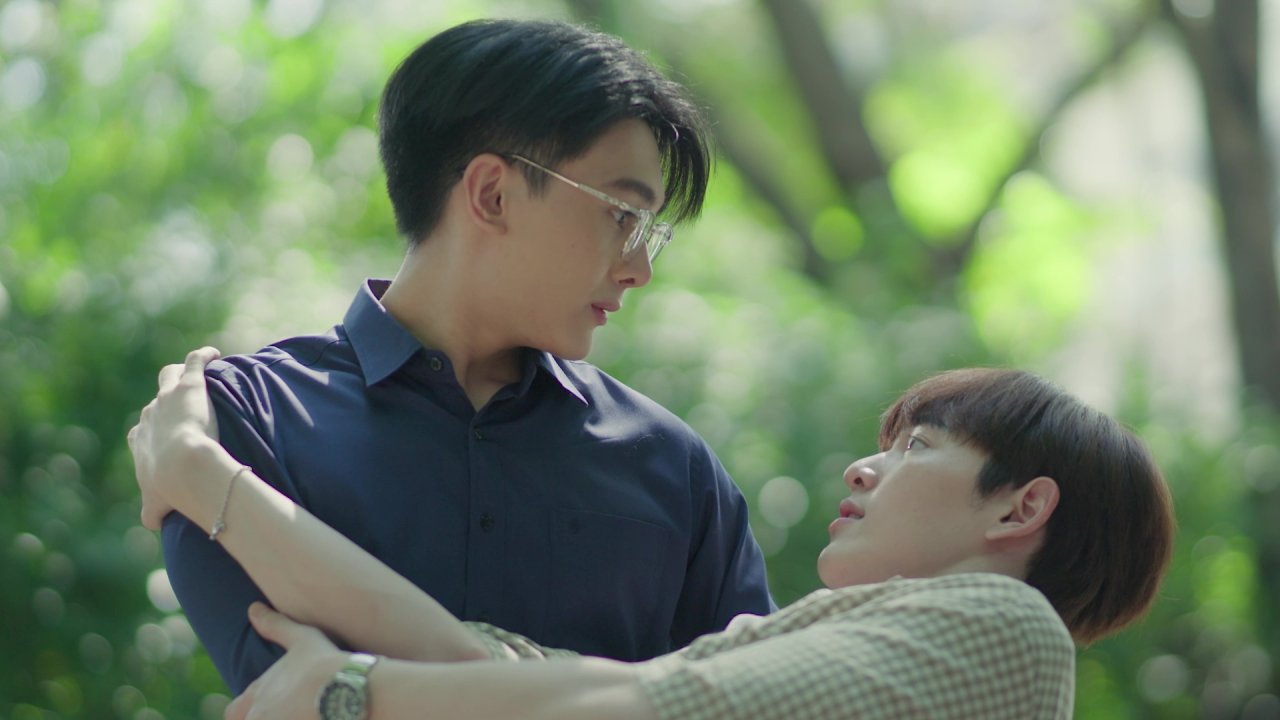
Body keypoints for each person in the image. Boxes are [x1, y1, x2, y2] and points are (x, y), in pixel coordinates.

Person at [160, 19, 775, 693]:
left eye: (648, 231)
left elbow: (755, 701)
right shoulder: (246, 421)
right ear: (492, 194)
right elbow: (289, 699)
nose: (639, 270)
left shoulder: (676, 470)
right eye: (623, 215)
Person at [129, 348, 1176, 719]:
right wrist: (206, 479)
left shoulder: (1006, 627)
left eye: (917, 448)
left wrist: (351, 696)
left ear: (1018, 508)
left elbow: (654, 709)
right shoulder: (847, 647)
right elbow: (487, 666)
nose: (863, 469)